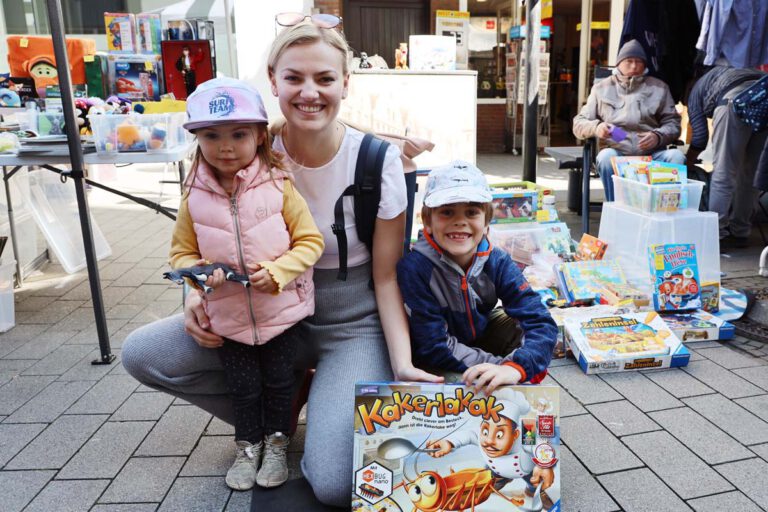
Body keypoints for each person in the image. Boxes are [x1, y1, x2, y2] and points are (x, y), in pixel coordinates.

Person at [121, 18, 440, 507]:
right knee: (143, 354)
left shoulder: (378, 162)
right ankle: (275, 413)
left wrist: (402, 363)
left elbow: (385, 276)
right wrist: (193, 294)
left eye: (325, 78)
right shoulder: (239, 148)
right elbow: (199, 235)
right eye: (294, 78)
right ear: (273, 81)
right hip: (255, 312)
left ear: (346, 84)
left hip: (349, 319)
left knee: (334, 483)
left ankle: (310, 399)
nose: (309, 92)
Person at [172, 77, 324, 491]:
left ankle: (277, 442)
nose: (226, 146)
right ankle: (247, 445)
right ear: (196, 138)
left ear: (259, 136)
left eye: (239, 134)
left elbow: (311, 241)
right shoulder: (193, 195)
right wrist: (200, 273)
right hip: (229, 319)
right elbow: (181, 255)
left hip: (281, 315)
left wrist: (278, 271)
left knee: (279, 382)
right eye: (211, 135)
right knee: (242, 387)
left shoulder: (279, 184)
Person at [396, 161, 558, 393]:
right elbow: (433, 345)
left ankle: (514, 379)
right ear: (428, 221)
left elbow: (540, 319)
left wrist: (516, 368)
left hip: (480, 335)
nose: (460, 221)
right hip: (437, 354)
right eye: (447, 211)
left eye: (471, 212)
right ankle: (500, 383)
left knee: (521, 328)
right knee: (449, 381)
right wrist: (498, 367)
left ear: (487, 224)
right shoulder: (415, 268)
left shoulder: (497, 260)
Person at [573, 39, 685, 201]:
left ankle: (663, 208)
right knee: (605, 158)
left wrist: (658, 135)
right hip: (617, 154)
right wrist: (596, 127)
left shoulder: (659, 88)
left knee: (676, 156)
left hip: (652, 155)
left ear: (645, 65)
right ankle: (617, 206)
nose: (633, 66)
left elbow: (674, 123)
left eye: (638, 62)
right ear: (619, 63)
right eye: (629, 61)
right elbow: (579, 123)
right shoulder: (601, 88)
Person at [685, 65, 768, 250]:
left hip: (734, 101)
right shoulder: (722, 73)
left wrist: (687, 163)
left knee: (724, 172)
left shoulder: (695, 93)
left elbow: (699, 138)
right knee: (751, 174)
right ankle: (741, 232)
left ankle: (716, 235)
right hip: (763, 97)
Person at [426, 389, 556, 503]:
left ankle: (534, 491)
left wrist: (544, 465)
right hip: (496, 470)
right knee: (487, 481)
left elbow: (540, 446)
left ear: (515, 434)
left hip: (526, 470)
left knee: (534, 483)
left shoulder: (526, 434)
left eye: (499, 434)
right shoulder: (479, 435)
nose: (488, 441)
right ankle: (500, 481)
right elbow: (466, 435)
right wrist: (448, 442)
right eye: (485, 431)